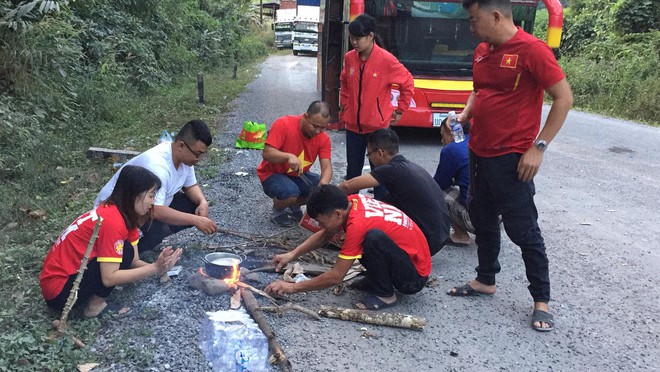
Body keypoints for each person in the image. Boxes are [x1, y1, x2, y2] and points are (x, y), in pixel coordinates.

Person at [447, 0, 573, 332]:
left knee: (523, 229)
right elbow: (479, 92)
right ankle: (485, 280)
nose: (470, 27)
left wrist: (539, 147)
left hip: (511, 159)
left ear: (496, 16)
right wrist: (463, 116)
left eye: (474, 20)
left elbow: (564, 98)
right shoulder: (482, 50)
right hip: (478, 152)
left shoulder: (533, 50)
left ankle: (541, 301)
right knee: (482, 217)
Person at [41, 165, 183, 318]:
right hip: (59, 292)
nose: (153, 202)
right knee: (122, 252)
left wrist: (160, 267)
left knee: (126, 250)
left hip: (66, 280)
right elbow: (109, 278)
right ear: (134, 194)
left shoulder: (121, 214)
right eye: (150, 195)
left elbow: (133, 260)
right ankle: (95, 306)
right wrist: (154, 269)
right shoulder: (112, 221)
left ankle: (93, 298)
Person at [265, 185, 431, 310]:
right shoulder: (351, 202)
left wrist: (292, 287)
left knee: (372, 238)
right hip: (405, 258)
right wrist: (291, 255)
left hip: (414, 278)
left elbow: (337, 276)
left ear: (337, 214)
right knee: (368, 240)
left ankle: (385, 294)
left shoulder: (358, 224)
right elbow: (325, 234)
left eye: (321, 221)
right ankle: (377, 279)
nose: (320, 225)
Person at [95, 120, 218, 253]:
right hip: (119, 211)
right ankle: (134, 249)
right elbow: (155, 210)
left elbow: (190, 186)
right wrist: (196, 220)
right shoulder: (157, 166)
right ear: (181, 145)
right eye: (197, 155)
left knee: (193, 206)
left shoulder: (185, 159)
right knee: (141, 240)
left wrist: (202, 202)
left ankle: (149, 239)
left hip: (145, 205)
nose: (198, 159)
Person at [338, 128, 450, 256]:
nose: (370, 158)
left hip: (428, 241)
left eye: (369, 154)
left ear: (380, 153)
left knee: (370, 236)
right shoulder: (409, 166)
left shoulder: (390, 170)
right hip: (440, 236)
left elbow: (348, 186)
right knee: (382, 202)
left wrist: (325, 196)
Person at [339, 14, 414, 198]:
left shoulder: (386, 60)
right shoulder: (349, 58)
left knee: (381, 175)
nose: (354, 42)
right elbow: (345, 84)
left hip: (378, 128)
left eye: (358, 38)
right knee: (353, 172)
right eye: (352, 38)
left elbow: (408, 83)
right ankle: (351, 212)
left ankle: (381, 213)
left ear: (371, 36)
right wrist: (345, 106)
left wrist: (400, 110)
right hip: (354, 128)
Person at [257, 101, 333, 227]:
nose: (318, 131)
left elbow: (327, 167)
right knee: (290, 193)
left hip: (298, 174)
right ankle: (278, 209)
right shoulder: (284, 124)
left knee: (321, 192)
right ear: (305, 117)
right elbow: (266, 153)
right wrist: (288, 156)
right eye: (315, 126)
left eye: (323, 127)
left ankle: (293, 205)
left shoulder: (323, 138)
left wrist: (323, 186)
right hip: (271, 173)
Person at [433, 118, 474, 246]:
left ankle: (460, 235)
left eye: (442, 135)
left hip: (474, 220)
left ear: (451, 132)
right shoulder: (477, 141)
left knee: (436, 192)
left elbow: (438, 184)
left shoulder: (451, 149)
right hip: (498, 218)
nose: (442, 141)